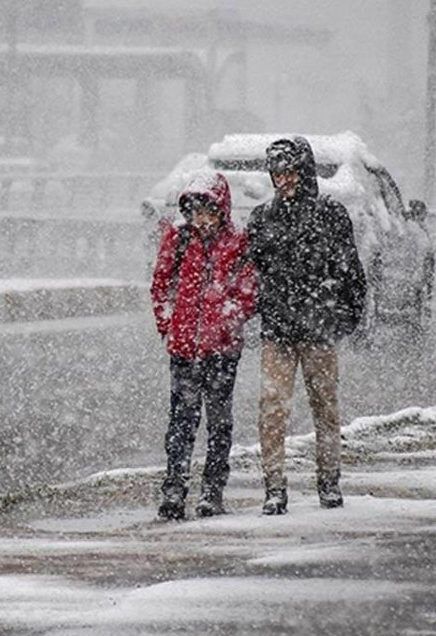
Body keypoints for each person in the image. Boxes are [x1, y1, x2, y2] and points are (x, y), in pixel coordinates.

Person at [246, 136, 367, 515]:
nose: (283, 180)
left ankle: (328, 481)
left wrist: (342, 320)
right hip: (279, 330)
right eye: (277, 173)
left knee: (324, 406)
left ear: (304, 171)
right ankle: (274, 487)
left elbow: (350, 272)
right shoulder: (262, 218)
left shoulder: (330, 214)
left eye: (289, 172)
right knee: (272, 408)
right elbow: (251, 272)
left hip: (317, 330)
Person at [150, 171, 257, 521]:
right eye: (196, 212)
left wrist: (225, 323)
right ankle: (174, 488)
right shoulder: (179, 239)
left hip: (222, 351)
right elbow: (161, 285)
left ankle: (212, 490)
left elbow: (247, 292)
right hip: (184, 349)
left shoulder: (238, 242)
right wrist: (169, 324)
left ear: (222, 210)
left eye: (209, 212)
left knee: (219, 423)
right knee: (181, 422)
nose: (203, 220)